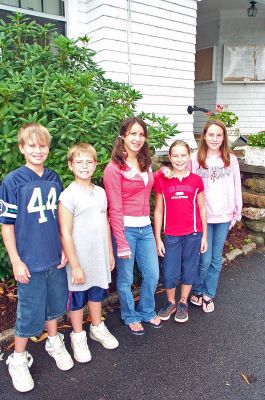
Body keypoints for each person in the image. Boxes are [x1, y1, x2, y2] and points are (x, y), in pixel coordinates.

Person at [0, 123, 73, 393]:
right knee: (29, 311)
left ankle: (53, 341)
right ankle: (18, 358)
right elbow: (7, 225)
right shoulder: (12, 181)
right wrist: (16, 260)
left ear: (48, 147)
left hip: (53, 254)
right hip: (29, 258)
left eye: (42, 145)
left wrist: (65, 247)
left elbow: (60, 219)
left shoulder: (54, 177)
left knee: (55, 304)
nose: (38, 150)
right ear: (21, 148)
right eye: (32, 145)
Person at [58, 143, 119, 363]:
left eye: (89, 162)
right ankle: (77, 336)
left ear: (95, 165)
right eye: (79, 162)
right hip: (79, 259)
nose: (84, 166)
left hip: (99, 256)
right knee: (77, 299)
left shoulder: (101, 192)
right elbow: (65, 232)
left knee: (96, 293)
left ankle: (96, 326)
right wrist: (74, 265)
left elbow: (106, 222)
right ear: (70, 165)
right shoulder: (68, 196)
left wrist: (110, 252)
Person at [103, 117, 161, 335]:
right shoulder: (113, 168)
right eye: (132, 134)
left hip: (145, 228)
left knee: (153, 275)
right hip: (125, 229)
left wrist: (163, 173)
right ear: (123, 137)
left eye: (141, 134)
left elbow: (146, 186)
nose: (137, 139)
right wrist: (121, 241)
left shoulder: (146, 162)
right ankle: (130, 315)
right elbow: (115, 208)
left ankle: (146, 310)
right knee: (126, 278)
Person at [189, 120, 242, 313]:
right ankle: (197, 288)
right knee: (204, 259)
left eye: (219, 135)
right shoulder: (195, 159)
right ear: (204, 136)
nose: (214, 139)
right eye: (211, 134)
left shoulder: (231, 159)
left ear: (224, 138)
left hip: (224, 215)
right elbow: (187, 185)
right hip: (203, 216)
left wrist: (237, 211)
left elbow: (236, 186)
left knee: (215, 259)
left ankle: (208, 293)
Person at [154, 140, 207, 323]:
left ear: (189, 156)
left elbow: (202, 209)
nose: (179, 159)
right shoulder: (162, 179)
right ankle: (171, 302)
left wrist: (204, 236)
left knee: (189, 269)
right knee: (169, 271)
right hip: (171, 235)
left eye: (183, 155)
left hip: (193, 233)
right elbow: (159, 210)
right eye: (175, 155)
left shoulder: (196, 180)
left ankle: (183, 301)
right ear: (170, 157)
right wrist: (158, 238)